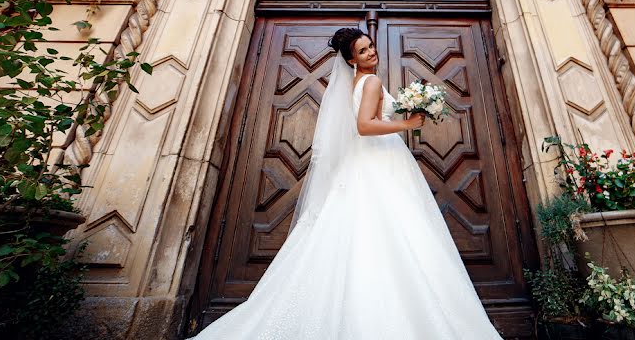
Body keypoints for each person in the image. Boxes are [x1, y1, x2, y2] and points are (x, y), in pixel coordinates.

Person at [190, 28, 505, 339]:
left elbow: (368, 118)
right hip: (379, 162)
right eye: (364, 51)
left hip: (367, 162)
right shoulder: (371, 81)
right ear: (353, 60)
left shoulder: (355, 83)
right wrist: (406, 123)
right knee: (393, 229)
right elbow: (365, 126)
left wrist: (408, 109)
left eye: (370, 46)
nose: (372, 53)